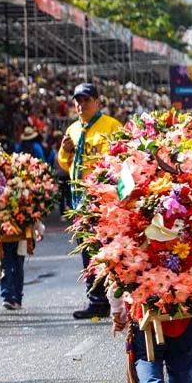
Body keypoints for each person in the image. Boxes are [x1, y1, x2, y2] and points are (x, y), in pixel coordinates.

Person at [58, 83, 124, 320]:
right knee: (87, 251)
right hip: (81, 202)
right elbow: (65, 163)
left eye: (86, 100)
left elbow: (118, 158)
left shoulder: (111, 125)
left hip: (104, 200)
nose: (81, 105)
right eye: (77, 100)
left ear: (97, 102)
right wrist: (66, 151)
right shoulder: (74, 129)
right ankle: (96, 300)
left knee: (108, 249)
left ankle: (117, 296)